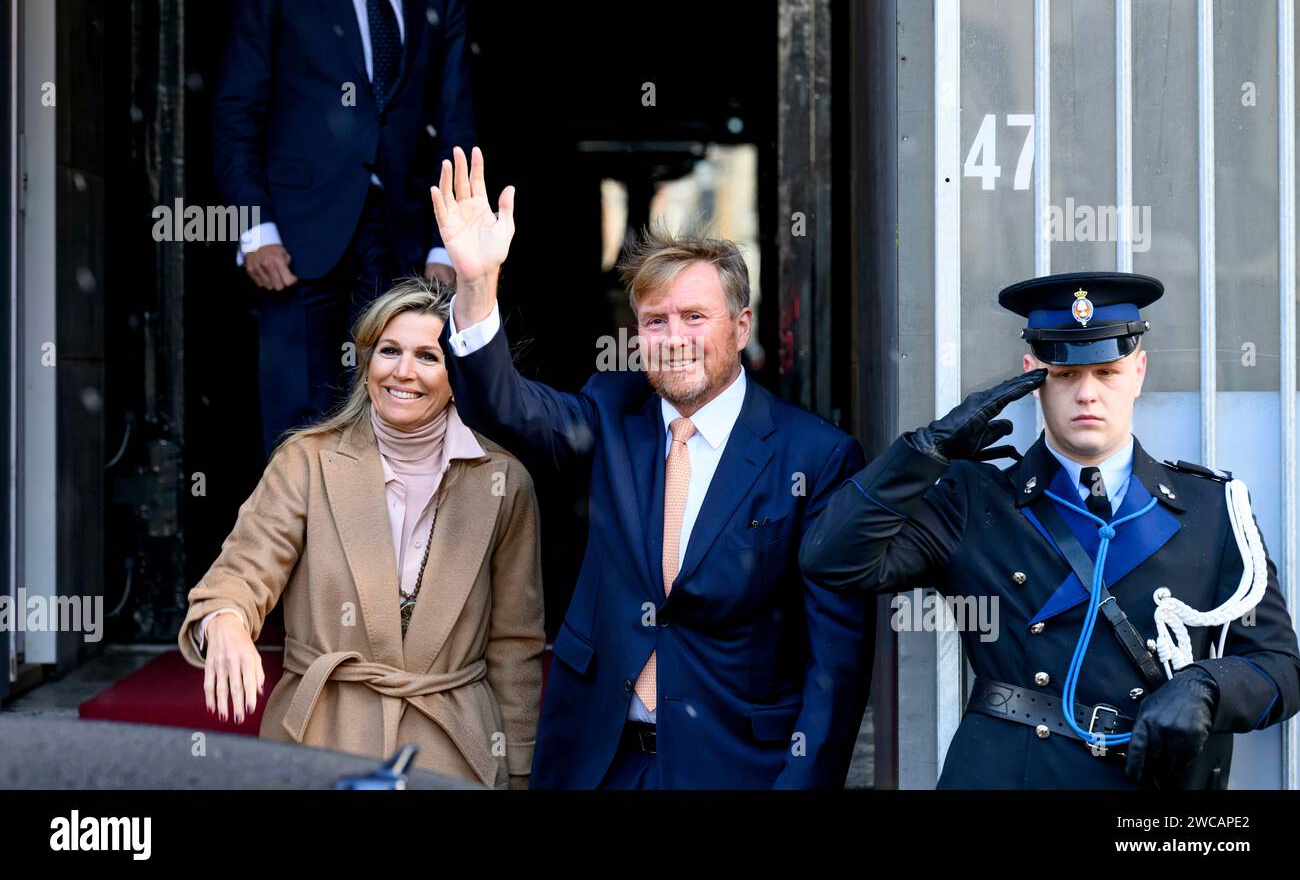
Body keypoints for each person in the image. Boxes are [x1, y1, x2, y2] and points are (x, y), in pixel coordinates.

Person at [429, 146, 876, 789]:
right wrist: (476, 287)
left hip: (734, 768)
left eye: (695, 317)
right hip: (599, 761)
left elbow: (835, 668)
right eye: (655, 321)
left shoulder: (816, 456)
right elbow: (505, 407)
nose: (675, 336)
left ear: (741, 325)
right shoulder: (613, 412)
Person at [801, 271, 1300, 789]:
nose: (1087, 394)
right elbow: (830, 560)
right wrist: (925, 452)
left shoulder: (1212, 508)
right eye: (1065, 375)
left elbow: (1281, 666)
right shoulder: (973, 498)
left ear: (1139, 373)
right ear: (1032, 373)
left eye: (1107, 372)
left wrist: (1206, 687)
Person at [177, 278, 544, 789]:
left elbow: (516, 642)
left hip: (455, 748)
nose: (403, 371)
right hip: (322, 737)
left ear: (457, 373)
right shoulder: (304, 461)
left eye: (427, 357)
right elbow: (245, 567)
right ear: (367, 365)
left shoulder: (505, 482)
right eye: (388, 351)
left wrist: (519, 766)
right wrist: (226, 620)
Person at [213, 0, 477, 456]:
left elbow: (456, 126)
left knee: (399, 407)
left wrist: (444, 241)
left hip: (403, 233)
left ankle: (381, 537)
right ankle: (303, 538)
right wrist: (254, 226)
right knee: (297, 414)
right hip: (295, 233)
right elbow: (237, 110)